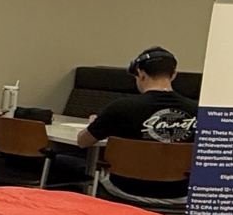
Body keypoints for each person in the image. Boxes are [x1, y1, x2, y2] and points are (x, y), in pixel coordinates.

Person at [75, 46, 198, 199]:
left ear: (140, 74)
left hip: (124, 190)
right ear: (173, 75)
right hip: (179, 194)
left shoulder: (120, 108)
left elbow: (83, 142)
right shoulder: (198, 111)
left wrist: (94, 124)